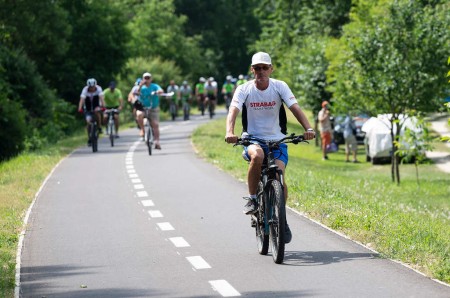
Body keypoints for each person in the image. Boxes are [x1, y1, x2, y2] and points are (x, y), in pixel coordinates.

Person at [224, 52, 315, 244]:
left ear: (271, 69)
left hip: (277, 141)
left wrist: (308, 128)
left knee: (279, 177)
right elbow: (233, 110)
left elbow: (294, 108)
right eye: (257, 68)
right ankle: (252, 199)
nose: (261, 71)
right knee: (257, 157)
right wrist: (230, 131)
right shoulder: (244, 89)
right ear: (252, 70)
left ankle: (281, 218)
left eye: (265, 67)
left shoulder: (279, 86)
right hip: (253, 140)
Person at [135, 72, 164, 149]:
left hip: (153, 108)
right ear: (143, 79)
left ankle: (157, 141)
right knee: (139, 114)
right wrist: (140, 86)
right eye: (145, 78)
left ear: (151, 79)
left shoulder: (154, 86)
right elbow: (136, 93)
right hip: (143, 107)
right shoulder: (141, 87)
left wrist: (158, 92)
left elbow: (161, 90)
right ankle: (142, 129)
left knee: (155, 124)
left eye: (148, 78)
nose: (147, 80)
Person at [78, 78, 105, 145]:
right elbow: (82, 99)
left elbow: (101, 98)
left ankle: (99, 127)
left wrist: (104, 106)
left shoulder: (99, 88)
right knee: (88, 122)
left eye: (93, 87)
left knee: (97, 112)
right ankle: (89, 137)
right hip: (88, 107)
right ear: (88, 86)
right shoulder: (85, 90)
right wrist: (80, 108)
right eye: (90, 87)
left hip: (96, 105)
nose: (92, 89)